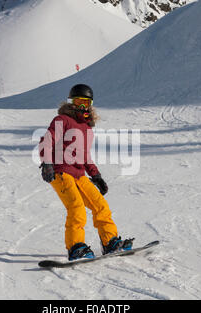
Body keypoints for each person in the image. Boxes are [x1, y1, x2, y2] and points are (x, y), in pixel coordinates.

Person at [39, 84, 134, 261]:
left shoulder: (86, 127)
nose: (82, 107)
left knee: (101, 206)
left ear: (90, 104)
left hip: (79, 175)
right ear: (70, 102)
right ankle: (76, 247)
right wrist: (47, 163)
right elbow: (47, 141)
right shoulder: (62, 120)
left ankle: (110, 242)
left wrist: (96, 175)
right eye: (78, 102)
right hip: (60, 172)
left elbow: (84, 155)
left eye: (85, 103)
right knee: (76, 208)